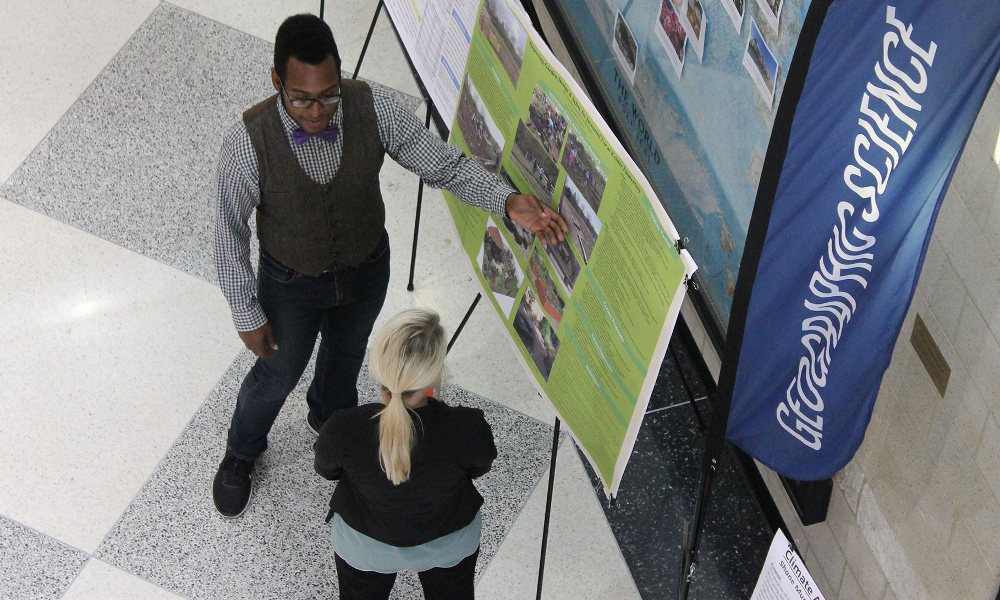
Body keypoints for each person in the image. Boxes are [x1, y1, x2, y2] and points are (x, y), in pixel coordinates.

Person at [212, 13, 565, 517]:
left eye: (328, 94)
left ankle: (331, 425)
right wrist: (246, 312)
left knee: (345, 360)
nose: (317, 111)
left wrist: (506, 201)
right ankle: (241, 452)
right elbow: (227, 231)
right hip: (289, 282)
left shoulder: (373, 109)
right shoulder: (248, 141)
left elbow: (442, 164)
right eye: (302, 98)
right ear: (277, 82)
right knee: (276, 373)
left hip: (364, 270)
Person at [314, 309, 496, 599]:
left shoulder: (342, 428)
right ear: (434, 374)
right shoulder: (468, 428)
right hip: (448, 541)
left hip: (366, 546)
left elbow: (327, 470)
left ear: (378, 366)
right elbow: (480, 465)